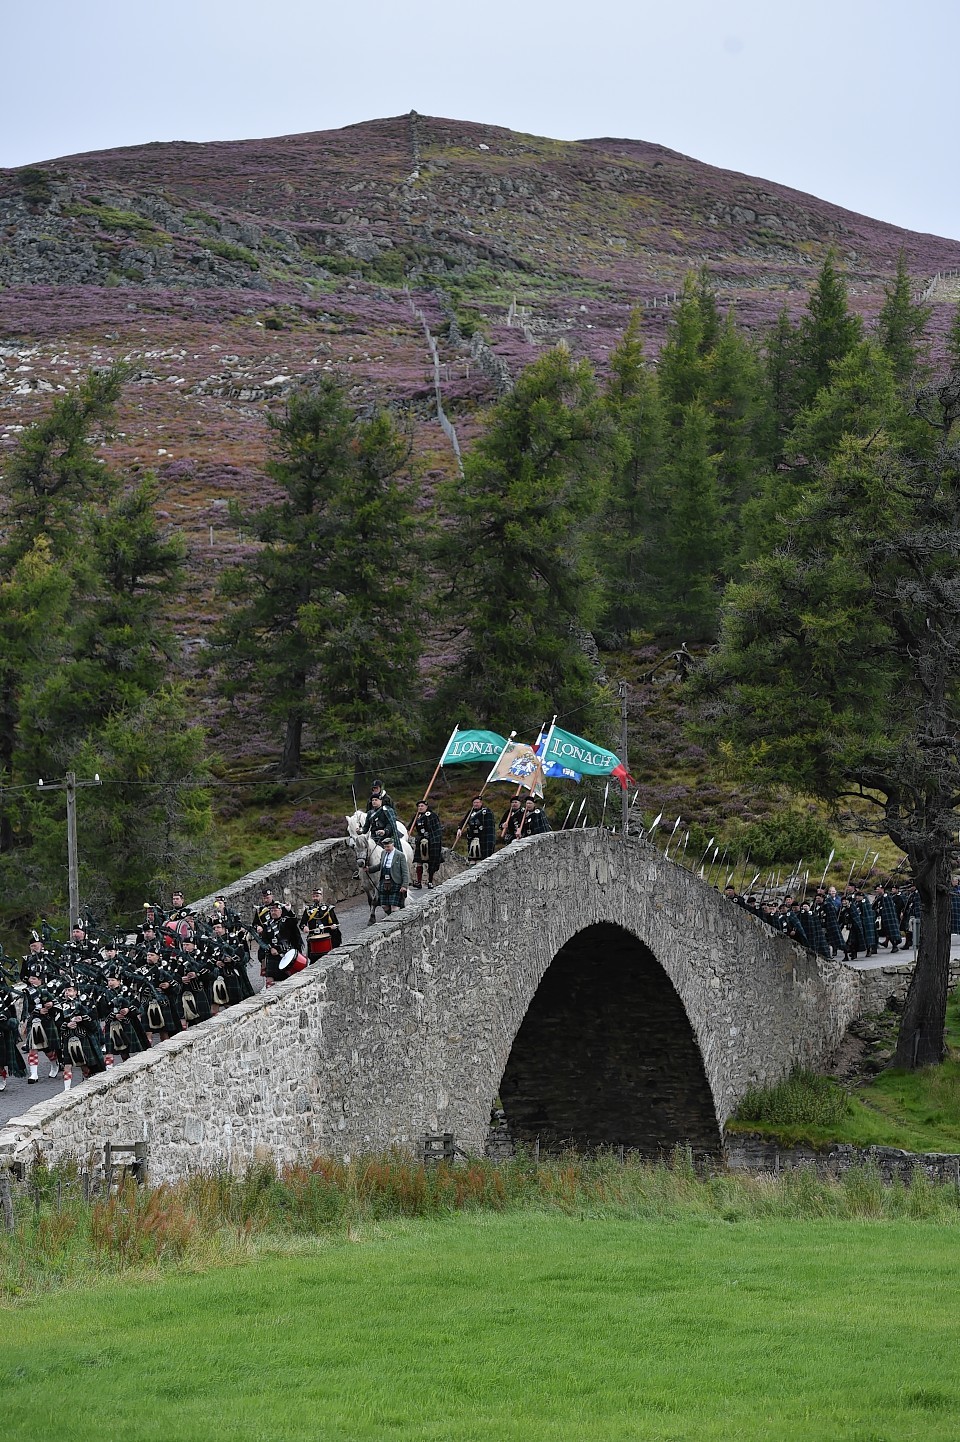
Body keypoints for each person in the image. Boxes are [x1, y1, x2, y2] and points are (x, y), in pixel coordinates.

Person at [300, 886, 342, 960]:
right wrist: (304, 927)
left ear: (321, 896)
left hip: (327, 938)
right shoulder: (308, 910)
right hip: (313, 939)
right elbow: (302, 924)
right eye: (313, 896)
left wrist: (334, 927)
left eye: (317, 896)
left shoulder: (328, 908)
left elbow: (335, 923)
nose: (315, 898)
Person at [410, 799, 443, 888]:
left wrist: (432, 840)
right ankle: (419, 882)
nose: (420, 808)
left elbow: (436, 829)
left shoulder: (432, 816)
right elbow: (410, 827)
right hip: (420, 840)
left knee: (431, 862)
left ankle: (430, 881)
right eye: (419, 806)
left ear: (426, 807)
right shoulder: (416, 816)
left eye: (422, 806)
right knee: (419, 862)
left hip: (431, 841)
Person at [376, 836, 410, 917]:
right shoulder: (383, 853)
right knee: (384, 906)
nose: (386, 848)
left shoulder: (400, 855)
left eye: (388, 846)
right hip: (384, 882)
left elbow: (405, 871)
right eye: (385, 847)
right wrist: (369, 869)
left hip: (395, 882)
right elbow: (380, 866)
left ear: (393, 845)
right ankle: (390, 917)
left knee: (394, 907)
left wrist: (404, 885)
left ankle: (394, 921)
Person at [461, 796, 496, 862]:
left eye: (477, 802)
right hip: (472, 837)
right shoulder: (470, 812)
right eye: (474, 802)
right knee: (472, 856)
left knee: (483, 857)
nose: (476, 804)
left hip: (483, 837)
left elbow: (490, 827)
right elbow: (464, 821)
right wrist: (459, 829)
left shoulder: (486, 812)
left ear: (481, 803)